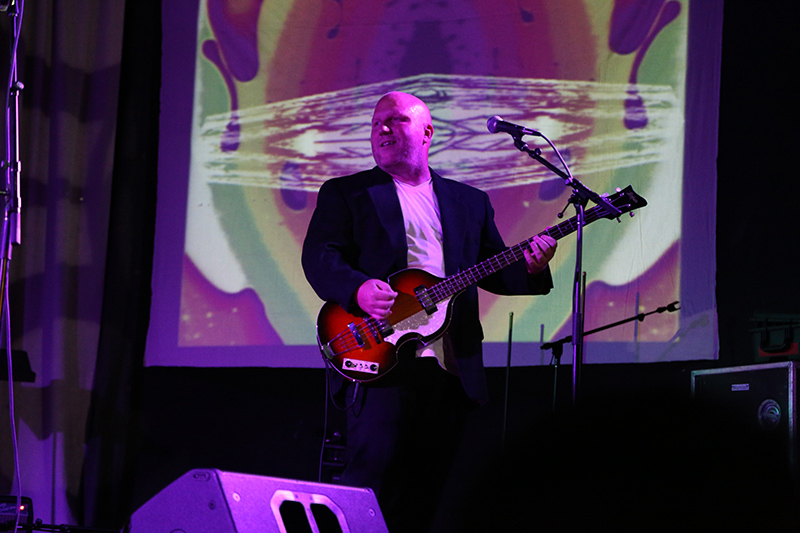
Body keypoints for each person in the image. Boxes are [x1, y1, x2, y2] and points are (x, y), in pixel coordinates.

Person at [301, 91, 556, 532]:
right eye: (377, 122)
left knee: (426, 494)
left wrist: (532, 269)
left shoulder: (469, 201)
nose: (382, 128)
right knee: (370, 489)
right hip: (381, 355)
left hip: (450, 365)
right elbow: (320, 257)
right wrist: (358, 290)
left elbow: (492, 269)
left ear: (426, 133)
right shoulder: (348, 193)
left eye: (396, 120)